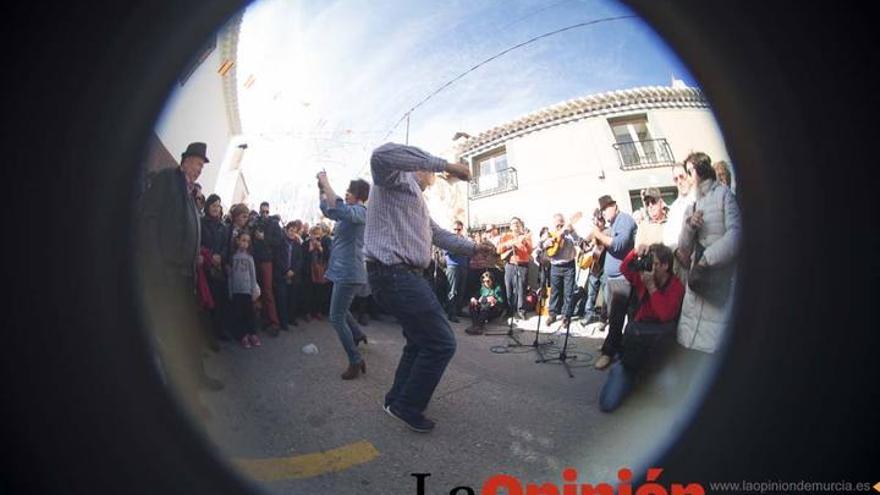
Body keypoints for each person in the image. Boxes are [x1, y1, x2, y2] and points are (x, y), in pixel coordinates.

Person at [364, 142, 495, 433]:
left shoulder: (416, 201)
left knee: (419, 341)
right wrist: (446, 164)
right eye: (432, 174)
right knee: (441, 343)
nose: (434, 181)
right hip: (396, 276)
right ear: (420, 169)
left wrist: (474, 248)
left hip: (401, 277)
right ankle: (407, 406)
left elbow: (438, 234)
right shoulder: (394, 179)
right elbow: (380, 155)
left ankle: (396, 400)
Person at [137, 142, 222, 419]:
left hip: (185, 273)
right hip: (167, 272)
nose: (199, 170)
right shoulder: (166, 180)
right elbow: (148, 221)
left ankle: (197, 377)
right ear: (185, 161)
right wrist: (157, 265)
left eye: (201, 166)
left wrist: (195, 254)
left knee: (189, 329)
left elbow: (185, 226)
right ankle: (186, 400)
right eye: (197, 163)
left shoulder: (190, 191)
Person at [598, 243, 685, 412]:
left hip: (658, 351)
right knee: (607, 403)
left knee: (667, 407)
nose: (648, 266)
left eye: (653, 263)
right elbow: (624, 268)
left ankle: (644, 379)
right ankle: (624, 371)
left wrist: (652, 287)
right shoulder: (644, 276)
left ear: (665, 266)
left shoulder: (675, 286)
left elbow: (665, 314)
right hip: (635, 345)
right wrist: (635, 252)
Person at [675, 152, 741, 358]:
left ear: (699, 170)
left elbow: (736, 234)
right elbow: (683, 249)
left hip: (715, 279)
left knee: (711, 350)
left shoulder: (724, 195)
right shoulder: (691, 205)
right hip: (696, 283)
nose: (686, 177)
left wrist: (708, 258)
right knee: (691, 349)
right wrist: (689, 228)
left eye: (688, 172)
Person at [318, 171, 372, 380]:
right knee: (341, 309)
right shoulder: (348, 212)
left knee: (336, 316)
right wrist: (322, 191)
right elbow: (328, 209)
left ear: (357, 195)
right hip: (343, 270)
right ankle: (357, 334)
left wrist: (326, 181)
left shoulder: (360, 212)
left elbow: (338, 207)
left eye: (349, 192)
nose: (346, 194)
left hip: (349, 272)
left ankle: (355, 360)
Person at [592, 195, 637, 370]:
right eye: (602, 210)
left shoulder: (624, 220)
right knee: (614, 317)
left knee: (618, 317)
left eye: (606, 208)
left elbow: (618, 245)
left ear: (614, 206)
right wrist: (599, 232)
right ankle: (614, 344)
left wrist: (597, 234)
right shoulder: (613, 224)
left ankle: (609, 352)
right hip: (613, 278)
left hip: (622, 279)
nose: (604, 212)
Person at [540, 213, 582, 327]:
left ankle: (565, 317)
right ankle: (552, 314)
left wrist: (572, 230)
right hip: (555, 266)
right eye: (557, 224)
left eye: (561, 223)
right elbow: (542, 245)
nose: (559, 225)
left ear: (564, 222)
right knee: (555, 291)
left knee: (568, 292)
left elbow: (578, 242)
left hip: (569, 266)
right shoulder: (550, 234)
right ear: (554, 224)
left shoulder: (569, 233)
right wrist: (549, 241)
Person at [200, 194, 231, 342]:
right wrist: (210, 256)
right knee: (207, 301)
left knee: (221, 300)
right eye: (213, 205)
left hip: (219, 268)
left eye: (218, 206)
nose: (215, 208)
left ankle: (219, 331)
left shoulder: (223, 227)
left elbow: (226, 245)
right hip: (205, 266)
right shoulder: (201, 222)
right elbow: (199, 242)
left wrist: (220, 256)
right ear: (208, 207)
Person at [252, 201, 282, 336]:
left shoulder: (274, 224)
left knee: (268, 291)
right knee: (258, 291)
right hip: (256, 259)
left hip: (267, 261)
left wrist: (264, 238)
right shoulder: (256, 222)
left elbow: (278, 241)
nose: (264, 214)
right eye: (262, 211)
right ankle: (264, 320)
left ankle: (274, 322)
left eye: (266, 212)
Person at [228, 232, 262, 349]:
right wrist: (230, 290)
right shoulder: (233, 257)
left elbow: (253, 275)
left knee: (249, 314)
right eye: (243, 240)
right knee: (239, 314)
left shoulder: (249, 258)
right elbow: (230, 276)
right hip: (237, 291)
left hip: (247, 290)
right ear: (237, 241)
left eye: (247, 241)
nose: (245, 243)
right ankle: (243, 336)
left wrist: (253, 289)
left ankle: (253, 334)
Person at [497, 216, 532, 320]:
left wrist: (523, 242)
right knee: (508, 288)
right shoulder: (505, 236)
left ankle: (521, 311)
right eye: (513, 223)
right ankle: (509, 310)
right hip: (509, 264)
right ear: (510, 226)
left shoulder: (525, 236)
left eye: (517, 223)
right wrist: (510, 244)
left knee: (521, 288)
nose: (515, 225)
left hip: (522, 264)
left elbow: (529, 251)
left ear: (520, 225)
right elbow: (499, 250)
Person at [442, 220, 470, 323]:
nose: (457, 231)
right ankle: (451, 313)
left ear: (462, 229)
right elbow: (450, 251)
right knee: (452, 291)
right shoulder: (448, 240)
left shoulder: (464, 240)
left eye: (459, 229)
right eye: (455, 229)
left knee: (461, 290)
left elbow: (469, 251)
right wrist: (461, 247)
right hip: (453, 267)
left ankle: (458, 310)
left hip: (464, 266)